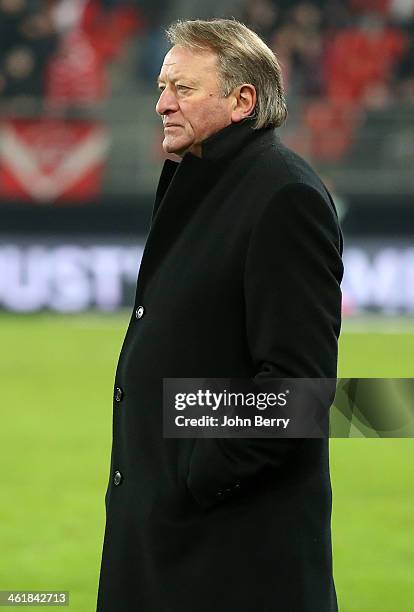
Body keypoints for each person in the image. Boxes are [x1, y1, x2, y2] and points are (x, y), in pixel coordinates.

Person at [96, 18, 343, 612]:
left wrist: (197, 472)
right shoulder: (205, 183)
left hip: (230, 557)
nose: (161, 104)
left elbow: (298, 391)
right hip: (176, 543)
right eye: (161, 87)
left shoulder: (284, 196)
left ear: (243, 100)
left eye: (183, 89)